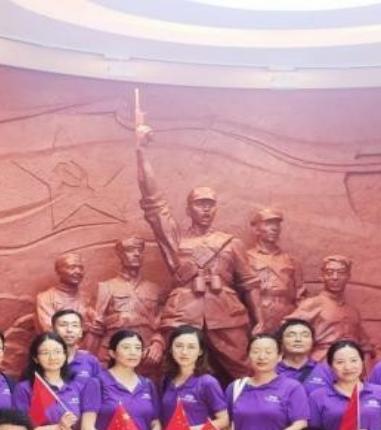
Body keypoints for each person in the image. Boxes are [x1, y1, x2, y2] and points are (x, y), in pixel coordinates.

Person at [136, 124, 261, 378]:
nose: (206, 209)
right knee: (171, 371)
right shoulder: (176, 240)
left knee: (243, 369)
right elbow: (155, 203)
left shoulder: (231, 243)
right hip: (183, 311)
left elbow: (249, 283)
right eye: (200, 204)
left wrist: (260, 320)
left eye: (210, 205)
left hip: (226, 313)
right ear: (188, 209)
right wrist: (141, 152)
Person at [157, 325, 228, 430]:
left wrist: (192, 429)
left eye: (191, 347)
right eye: (179, 346)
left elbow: (224, 419)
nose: (184, 352)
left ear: (200, 351)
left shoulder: (207, 382)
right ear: (171, 349)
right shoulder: (167, 380)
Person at [91, 237, 166, 374]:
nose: (137, 254)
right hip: (112, 357)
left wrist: (158, 344)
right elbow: (95, 328)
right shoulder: (105, 287)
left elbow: (164, 325)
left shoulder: (155, 289)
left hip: (146, 358)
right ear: (120, 254)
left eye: (140, 250)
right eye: (130, 250)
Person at [13, 332, 84, 430]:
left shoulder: (76, 387)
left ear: (65, 355)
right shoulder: (25, 389)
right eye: (45, 353)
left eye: (57, 352)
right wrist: (58, 428)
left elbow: (86, 428)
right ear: (36, 358)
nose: (52, 357)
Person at [286, 254, 370, 361]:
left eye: (341, 273)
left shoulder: (353, 312)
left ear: (348, 276)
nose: (335, 277)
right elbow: (287, 330)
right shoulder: (312, 304)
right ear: (322, 276)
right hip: (320, 362)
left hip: (348, 364)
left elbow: (365, 345)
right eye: (330, 273)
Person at [245, 208, 302, 334]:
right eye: (268, 224)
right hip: (257, 316)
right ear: (255, 229)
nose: (274, 228)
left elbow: (300, 295)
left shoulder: (291, 260)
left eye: (277, 224)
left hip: (287, 316)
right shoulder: (245, 258)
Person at [35, 252, 95, 340]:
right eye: (72, 267)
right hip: (58, 346)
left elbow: (96, 325)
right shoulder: (45, 298)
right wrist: (84, 329)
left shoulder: (87, 297)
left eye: (81, 268)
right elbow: (49, 329)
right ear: (59, 272)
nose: (78, 271)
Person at [275, 318, 335, 395]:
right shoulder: (271, 371)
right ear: (281, 341)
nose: (298, 339)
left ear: (312, 341)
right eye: (291, 335)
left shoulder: (326, 372)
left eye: (305, 335)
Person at [51, 308, 103, 384]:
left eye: (74, 325)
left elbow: (100, 387)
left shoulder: (90, 361)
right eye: (63, 325)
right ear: (53, 330)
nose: (69, 330)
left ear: (81, 332)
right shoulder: (45, 360)